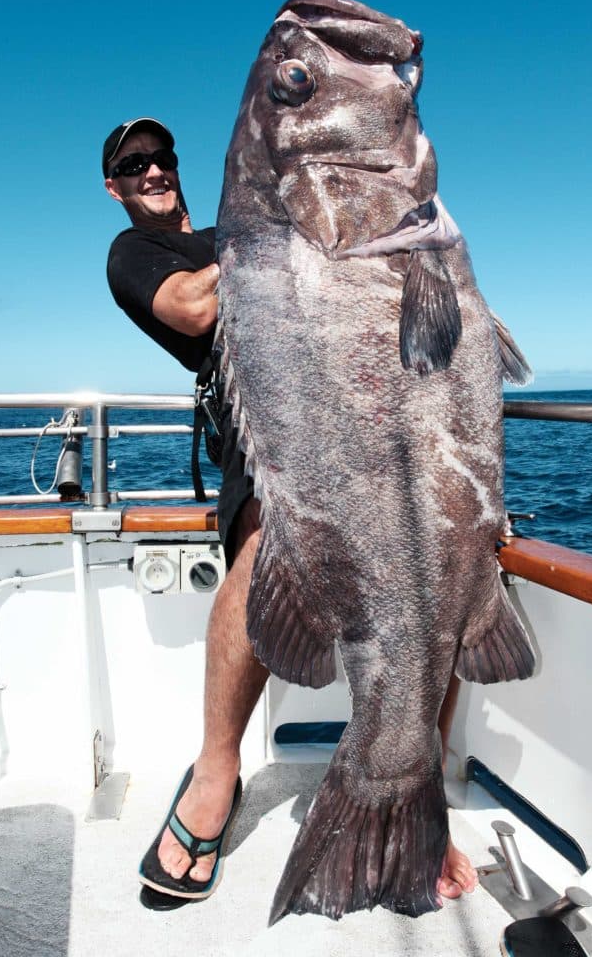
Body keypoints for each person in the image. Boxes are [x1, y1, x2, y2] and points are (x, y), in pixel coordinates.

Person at [103, 117, 478, 907]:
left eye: (162, 157)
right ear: (116, 186)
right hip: (266, 437)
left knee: (449, 557)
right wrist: (280, 220)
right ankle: (216, 772)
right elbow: (193, 313)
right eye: (134, 165)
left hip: (369, 417)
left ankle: (419, 792)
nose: (153, 171)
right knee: (265, 547)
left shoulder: (242, 227)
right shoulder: (137, 255)